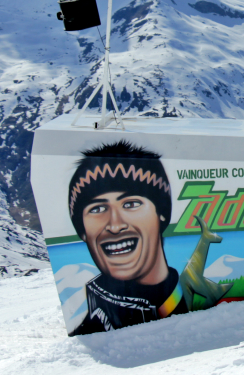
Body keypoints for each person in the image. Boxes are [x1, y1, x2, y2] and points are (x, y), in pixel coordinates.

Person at [67, 140, 186, 335]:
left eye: (131, 204)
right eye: (97, 209)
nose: (115, 225)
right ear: (83, 231)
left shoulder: (200, 299)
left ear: (162, 213)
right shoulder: (91, 335)